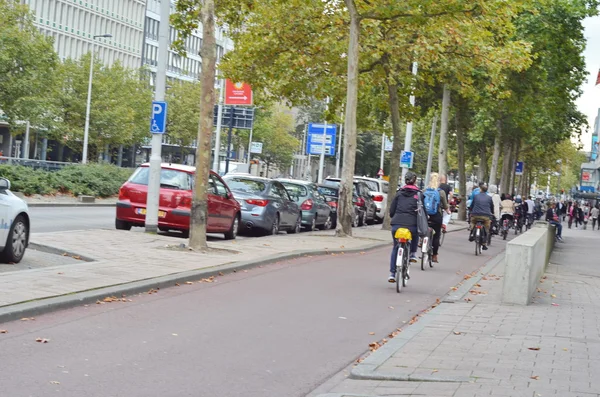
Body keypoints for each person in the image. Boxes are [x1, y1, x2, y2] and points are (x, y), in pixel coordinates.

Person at [388, 171, 422, 282]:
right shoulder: (419, 194)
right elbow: (423, 212)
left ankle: (392, 274)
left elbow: (392, 211)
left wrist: (393, 217)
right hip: (411, 224)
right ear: (415, 181)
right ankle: (412, 254)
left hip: (396, 225)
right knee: (415, 233)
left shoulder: (398, 193)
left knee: (395, 247)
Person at [425, 173, 448, 263]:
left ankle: (421, 241)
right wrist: (448, 210)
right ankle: (434, 256)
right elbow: (445, 206)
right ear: (438, 181)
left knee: (423, 229)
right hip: (436, 216)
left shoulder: (425, 191)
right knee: (436, 235)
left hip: (426, 216)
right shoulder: (441, 192)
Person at [468, 183, 494, 250]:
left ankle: (471, 234)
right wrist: (492, 213)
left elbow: (472, 205)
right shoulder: (489, 198)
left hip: (475, 214)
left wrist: (471, 210)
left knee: (473, 222)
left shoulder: (476, 196)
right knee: (486, 228)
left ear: (481, 189)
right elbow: (492, 207)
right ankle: (484, 243)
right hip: (486, 216)